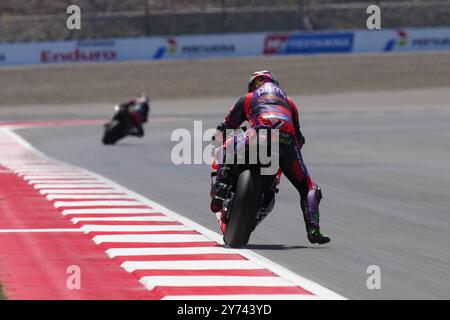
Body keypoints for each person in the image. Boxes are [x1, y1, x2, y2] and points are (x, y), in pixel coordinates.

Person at [210, 70, 330, 244]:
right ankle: (313, 229)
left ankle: (220, 188)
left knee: (228, 142)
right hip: (286, 142)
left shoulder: (249, 97)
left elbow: (228, 124)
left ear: (253, 85)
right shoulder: (289, 102)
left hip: (258, 134)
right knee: (309, 188)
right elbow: (299, 138)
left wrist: (216, 135)